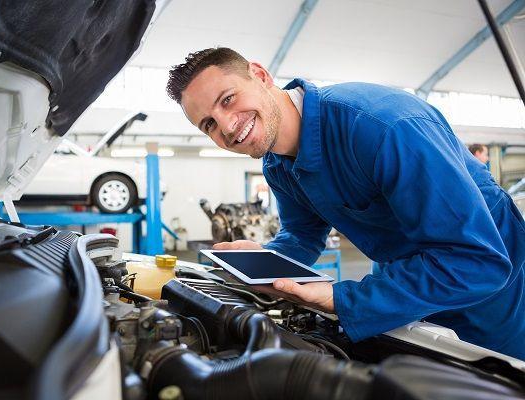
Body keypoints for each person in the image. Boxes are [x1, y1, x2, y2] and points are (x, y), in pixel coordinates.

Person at [166, 47, 525, 359]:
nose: (227, 127)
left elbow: (478, 262)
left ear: (260, 75)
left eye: (228, 99)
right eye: (209, 124)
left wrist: (343, 299)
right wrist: (263, 263)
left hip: (491, 292)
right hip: (405, 277)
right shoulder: (276, 165)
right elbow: (302, 236)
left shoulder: (382, 127)